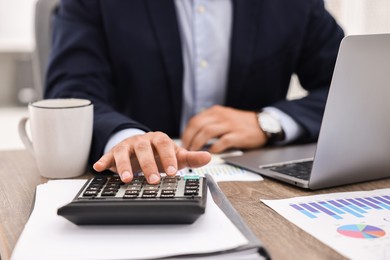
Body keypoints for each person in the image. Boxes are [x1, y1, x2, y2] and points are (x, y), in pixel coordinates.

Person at [45, 0, 344, 184]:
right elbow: (71, 91)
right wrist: (126, 139)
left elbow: (346, 84)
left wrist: (269, 123)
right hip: (137, 184)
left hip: (257, 185)